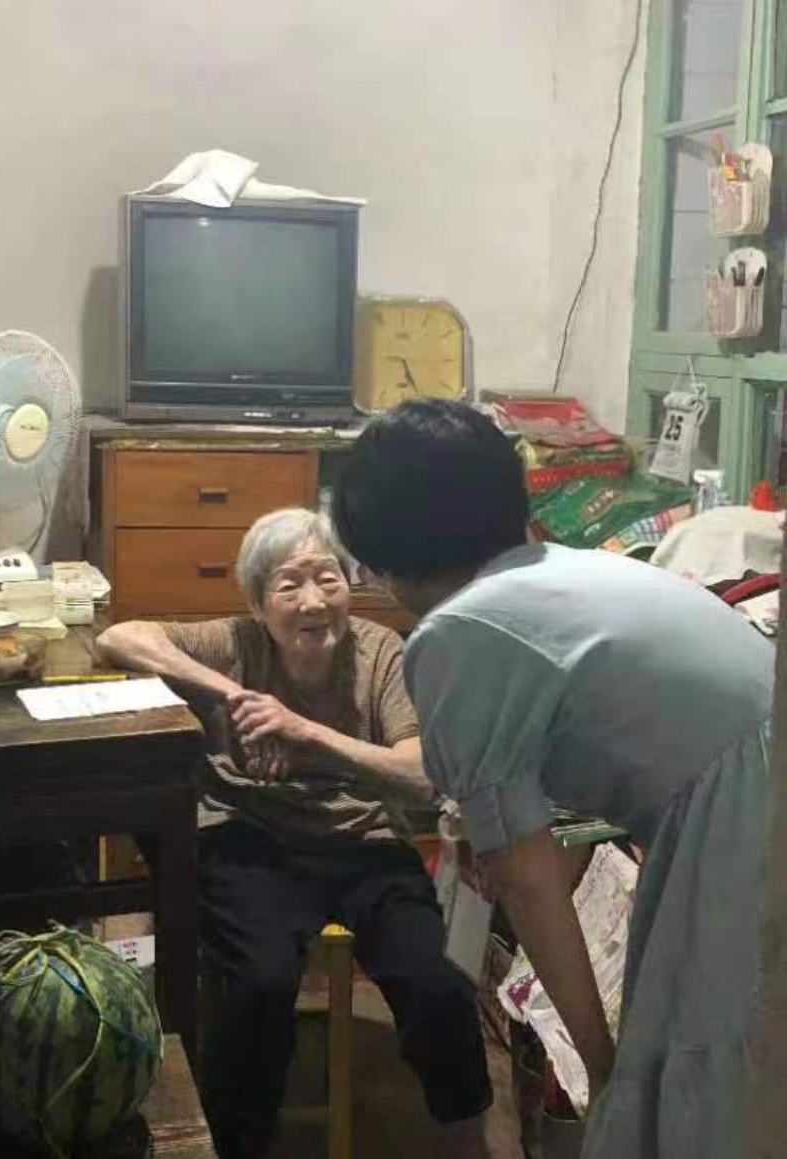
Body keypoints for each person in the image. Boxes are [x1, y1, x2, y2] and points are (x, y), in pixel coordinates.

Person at [331, 399, 774, 1159]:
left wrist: (601, 1063)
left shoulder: (456, 631)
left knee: (701, 1082)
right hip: (754, 775)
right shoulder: (568, 567)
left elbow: (527, 877)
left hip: (743, 809)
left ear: (383, 548)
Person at [97, 507, 494, 1159]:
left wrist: (305, 732)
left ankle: (467, 1141)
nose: (314, 600)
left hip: (364, 842)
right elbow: (120, 637)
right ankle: (237, 1144)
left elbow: (421, 776)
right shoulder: (235, 642)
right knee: (259, 983)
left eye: (328, 577)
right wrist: (235, 696)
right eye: (290, 584)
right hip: (249, 838)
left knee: (438, 982)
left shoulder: (381, 650)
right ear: (258, 604)